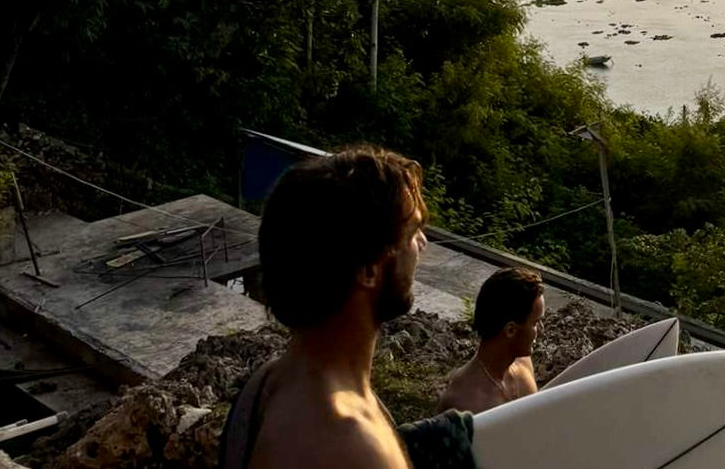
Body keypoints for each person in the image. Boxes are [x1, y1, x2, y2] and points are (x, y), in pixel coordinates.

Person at [220, 146, 430, 469]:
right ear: (369, 269)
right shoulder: (351, 446)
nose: (422, 244)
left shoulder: (269, 384)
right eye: (413, 232)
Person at [439, 266, 546, 413]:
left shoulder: (523, 362)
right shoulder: (463, 402)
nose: (542, 329)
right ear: (510, 330)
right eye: (535, 323)